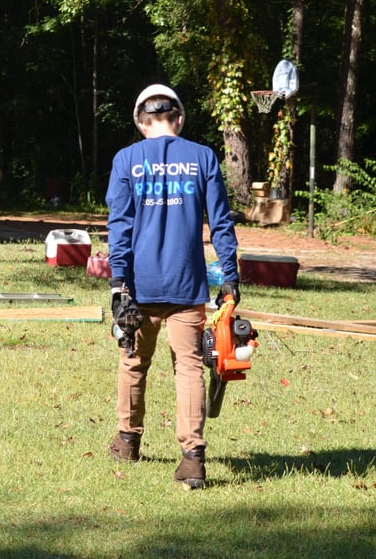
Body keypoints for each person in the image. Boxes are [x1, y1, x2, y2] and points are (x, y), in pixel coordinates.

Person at [104, 84, 240, 489]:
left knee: (133, 361)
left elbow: (120, 227)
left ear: (141, 122)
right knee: (190, 369)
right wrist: (229, 276)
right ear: (178, 118)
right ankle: (193, 459)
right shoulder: (203, 157)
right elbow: (221, 223)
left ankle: (128, 441)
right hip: (187, 286)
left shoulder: (126, 159)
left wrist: (118, 285)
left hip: (140, 288)